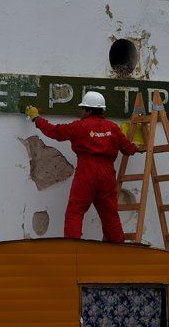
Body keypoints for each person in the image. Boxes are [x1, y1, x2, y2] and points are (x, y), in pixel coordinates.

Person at [25, 91, 142, 243]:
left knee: (75, 212)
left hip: (87, 173)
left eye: (82, 109)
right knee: (110, 215)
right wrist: (138, 148)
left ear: (88, 110)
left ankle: (74, 248)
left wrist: (36, 118)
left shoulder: (80, 126)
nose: (80, 112)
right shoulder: (112, 128)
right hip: (107, 175)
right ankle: (118, 250)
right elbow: (128, 149)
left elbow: (54, 132)